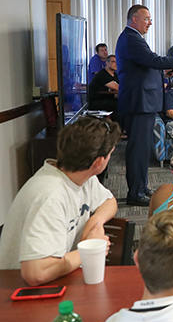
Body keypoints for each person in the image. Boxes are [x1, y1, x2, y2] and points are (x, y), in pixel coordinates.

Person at [0, 117, 121, 285]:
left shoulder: (81, 176)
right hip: (18, 293)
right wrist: (89, 247)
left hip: (58, 282)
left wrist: (95, 222)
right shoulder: (50, 196)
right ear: (99, 162)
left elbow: (109, 202)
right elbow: (36, 273)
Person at [116, 4, 173, 207]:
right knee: (138, 150)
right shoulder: (130, 38)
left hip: (143, 102)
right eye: (146, 18)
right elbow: (153, 60)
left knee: (142, 148)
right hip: (139, 102)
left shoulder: (135, 38)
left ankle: (141, 187)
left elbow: (146, 67)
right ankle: (135, 193)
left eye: (150, 19)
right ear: (134, 19)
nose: (150, 22)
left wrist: (163, 74)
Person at [88, 55, 120, 125]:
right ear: (107, 63)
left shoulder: (115, 75)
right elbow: (117, 87)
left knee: (123, 103)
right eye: (113, 62)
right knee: (119, 105)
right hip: (96, 101)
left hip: (108, 99)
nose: (116, 64)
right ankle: (117, 129)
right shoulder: (102, 74)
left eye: (117, 62)